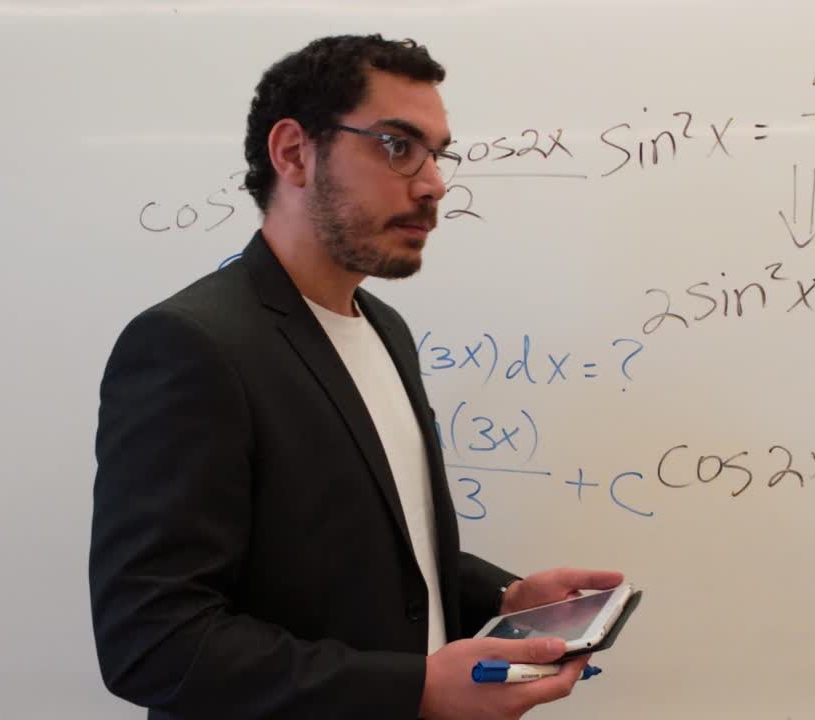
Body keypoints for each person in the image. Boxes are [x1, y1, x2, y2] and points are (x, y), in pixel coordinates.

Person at [89, 34, 623, 720]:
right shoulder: (192, 345)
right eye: (397, 145)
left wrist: (505, 602)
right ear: (293, 153)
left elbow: (371, 549)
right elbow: (153, 640)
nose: (433, 183)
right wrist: (416, 691)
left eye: (437, 154)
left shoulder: (384, 328)